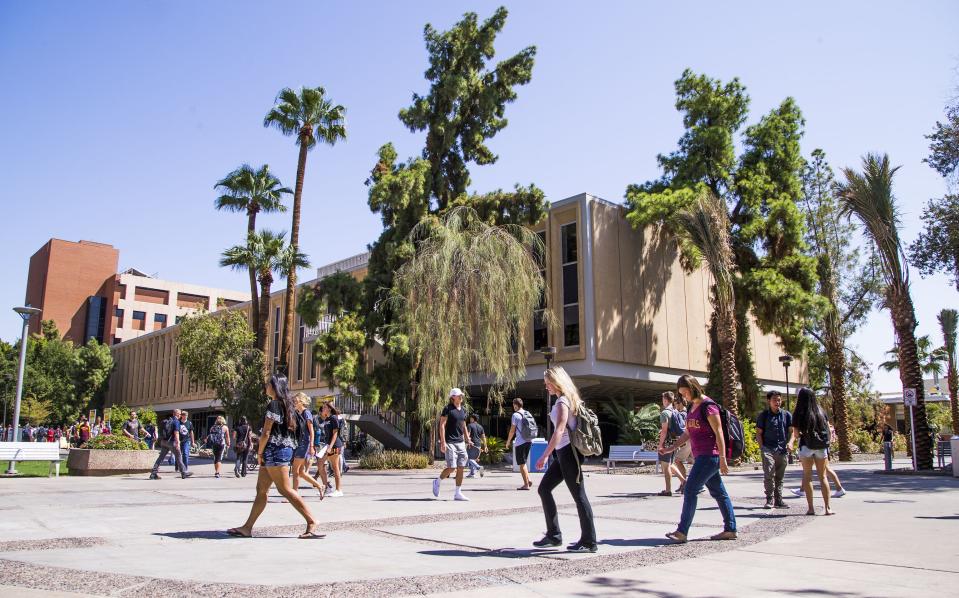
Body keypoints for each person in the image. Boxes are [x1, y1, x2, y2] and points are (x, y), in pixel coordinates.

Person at [227, 374, 319, 539]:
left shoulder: (274, 405)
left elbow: (266, 433)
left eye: (268, 384)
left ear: (275, 386)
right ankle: (247, 528)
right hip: (280, 450)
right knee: (261, 490)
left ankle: (312, 521)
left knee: (285, 489)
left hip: (274, 451)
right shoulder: (289, 406)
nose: (266, 386)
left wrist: (260, 452)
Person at [661, 375, 737, 543]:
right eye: (681, 394)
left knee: (690, 489)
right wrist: (673, 447)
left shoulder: (708, 406)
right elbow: (687, 432)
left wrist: (723, 459)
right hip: (701, 456)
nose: (684, 397)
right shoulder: (692, 407)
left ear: (693, 388)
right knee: (719, 493)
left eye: (686, 392)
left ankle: (682, 532)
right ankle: (730, 529)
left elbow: (719, 433)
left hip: (710, 456)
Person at [534, 366, 597, 553]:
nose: (546, 387)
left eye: (548, 383)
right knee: (544, 489)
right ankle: (554, 535)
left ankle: (589, 541)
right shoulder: (566, 399)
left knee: (579, 496)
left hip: (569, 454)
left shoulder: (563, 401)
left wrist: (544, 456)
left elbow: (560, 430)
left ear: (556, 381)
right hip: (563, 454)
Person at [790, 387, 835, 516]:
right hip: (821, 447)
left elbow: (796, 434)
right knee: (823, 477)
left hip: (806, 446)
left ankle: (811, 508)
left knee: (808, 477)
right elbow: (828, 429)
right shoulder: (821, 411)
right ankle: (827, 508)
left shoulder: (798, 413)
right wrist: (827, 444)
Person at [432, 388, 473, 501]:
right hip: (450, 442)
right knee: (452, 467)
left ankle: (458, 493)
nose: (461, 397)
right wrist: (443, 442)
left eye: (461, 396)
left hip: (460, 443)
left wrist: (468, 438)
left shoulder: (463, 410)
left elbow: (463, 425)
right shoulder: (447, 409)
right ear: (453, 397)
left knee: (461, 467)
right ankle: (437, 481)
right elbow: (442, 425)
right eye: (459, 396)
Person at [756, 390, 792, 509]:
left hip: (782, 449)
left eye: (779, 400)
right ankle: (769, 499)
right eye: (774, 400)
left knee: (779, 477)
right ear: (769, 401)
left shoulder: (786, 415)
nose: (777, 402)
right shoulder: (764, 415)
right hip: (768, 449)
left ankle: (779, 500)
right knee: (769, 474)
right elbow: (759, 433)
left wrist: (790, 443)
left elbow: (792, 432)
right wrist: (762, 448)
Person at [291, 393, 325, 496]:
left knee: (295, 470)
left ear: (301, 402)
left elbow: (311, 431)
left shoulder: (306, 413)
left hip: (303, 443)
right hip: (299, 443)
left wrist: (311, 446)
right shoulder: (298, 413)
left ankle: (294, 495)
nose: (294, 403)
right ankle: (320, 486)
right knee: (301, 472)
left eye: (296, 401)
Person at [657, 392, 687, 496]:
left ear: (665, 400)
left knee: (666, 466)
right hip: (675, 441)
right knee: (669, 464)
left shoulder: (665, 413)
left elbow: (664, 431)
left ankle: (668, 490)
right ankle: (684, 482)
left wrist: (660, 445)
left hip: (667, 442)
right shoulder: (674, 411)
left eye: (663, 399)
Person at [149, 409, 192, 479]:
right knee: (179, 457)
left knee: (160, 458)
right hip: (172, 442)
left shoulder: (167, 421)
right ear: (178, 414)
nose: (180, 415)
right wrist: (178, 443)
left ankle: (153, 473)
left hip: (163, 442)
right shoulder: (176, 422)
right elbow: (176, 433)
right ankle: (184, 473)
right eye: (180, 414)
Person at [505, 398, 534, 490]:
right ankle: (528, 480)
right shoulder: (527, 413)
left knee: (521, 464)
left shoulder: (515, 415)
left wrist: (508, 441)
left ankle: (526, 485)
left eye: (513, 405)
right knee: (524, 462)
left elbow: (512, 430)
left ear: (516, 405)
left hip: (521, 442)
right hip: (529, 440)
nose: (513, 407)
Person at [318, 402, 344, 497]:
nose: (323, 409)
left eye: (324, 407)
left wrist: (330, 446)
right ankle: (327, 488)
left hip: (335, 445)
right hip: (328, 445)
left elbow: (335, 433)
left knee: (335, 467)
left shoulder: (333, 418)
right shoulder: (327, 419)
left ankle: (338, 490)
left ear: (329, 409)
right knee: (320, 464)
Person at [466, 414, 487, 478]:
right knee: (473, 459)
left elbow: (468, 435)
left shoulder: (469, 425)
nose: (470, 419)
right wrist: (485, 446)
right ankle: (472, 473)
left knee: (468, 458)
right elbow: (483, 437)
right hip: (478, 445)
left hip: (472, 444)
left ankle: (479, 468)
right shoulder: (480, 427)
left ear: (473, 418)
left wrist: (467, 442)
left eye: (470, 418)